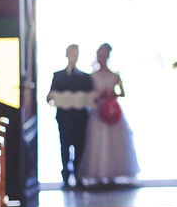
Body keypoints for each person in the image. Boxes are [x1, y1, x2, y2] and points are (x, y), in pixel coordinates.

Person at [78, 43, 140, 185]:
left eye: (104, 55)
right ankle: (99, 173)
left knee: (114, 141)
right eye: (100, 55)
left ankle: (113, 173)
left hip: (112, 111)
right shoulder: (92, 76)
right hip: (98, 112)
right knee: (98, 140)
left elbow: (122, 93)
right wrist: (99, 95)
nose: (102, 58)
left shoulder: (115, 75)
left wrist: (112, 94)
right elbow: (89, 96)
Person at [45, 43, 94, 186]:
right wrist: (54, 99)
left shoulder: (85, 77)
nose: (74, 57)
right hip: (64, 117)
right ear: (67, 55)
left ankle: (78, 174)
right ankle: (65, 175)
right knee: (64, 146)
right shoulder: (58, 76)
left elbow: (91, 96)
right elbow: (50, 96)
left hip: (80, 117)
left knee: (79, 146)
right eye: (71, 53)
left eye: (76, 54)